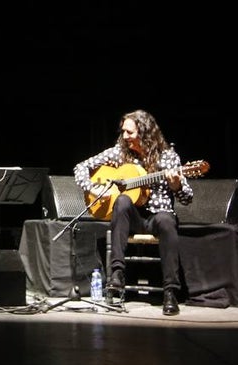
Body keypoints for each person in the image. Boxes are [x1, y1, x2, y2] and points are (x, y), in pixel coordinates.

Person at [72, 109, 193, 315]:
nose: (124, 136)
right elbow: (81, 167)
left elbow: (187, 197)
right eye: (123, 132)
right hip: (133, 218)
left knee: (167, 220)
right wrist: (93, 188)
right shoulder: (120, 154)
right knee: (122, 201)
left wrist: (176, 186)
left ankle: (170, 291)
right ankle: (117, 276)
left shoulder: (168, 157)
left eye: (129, 132)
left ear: (145, 132)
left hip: (157, 216)